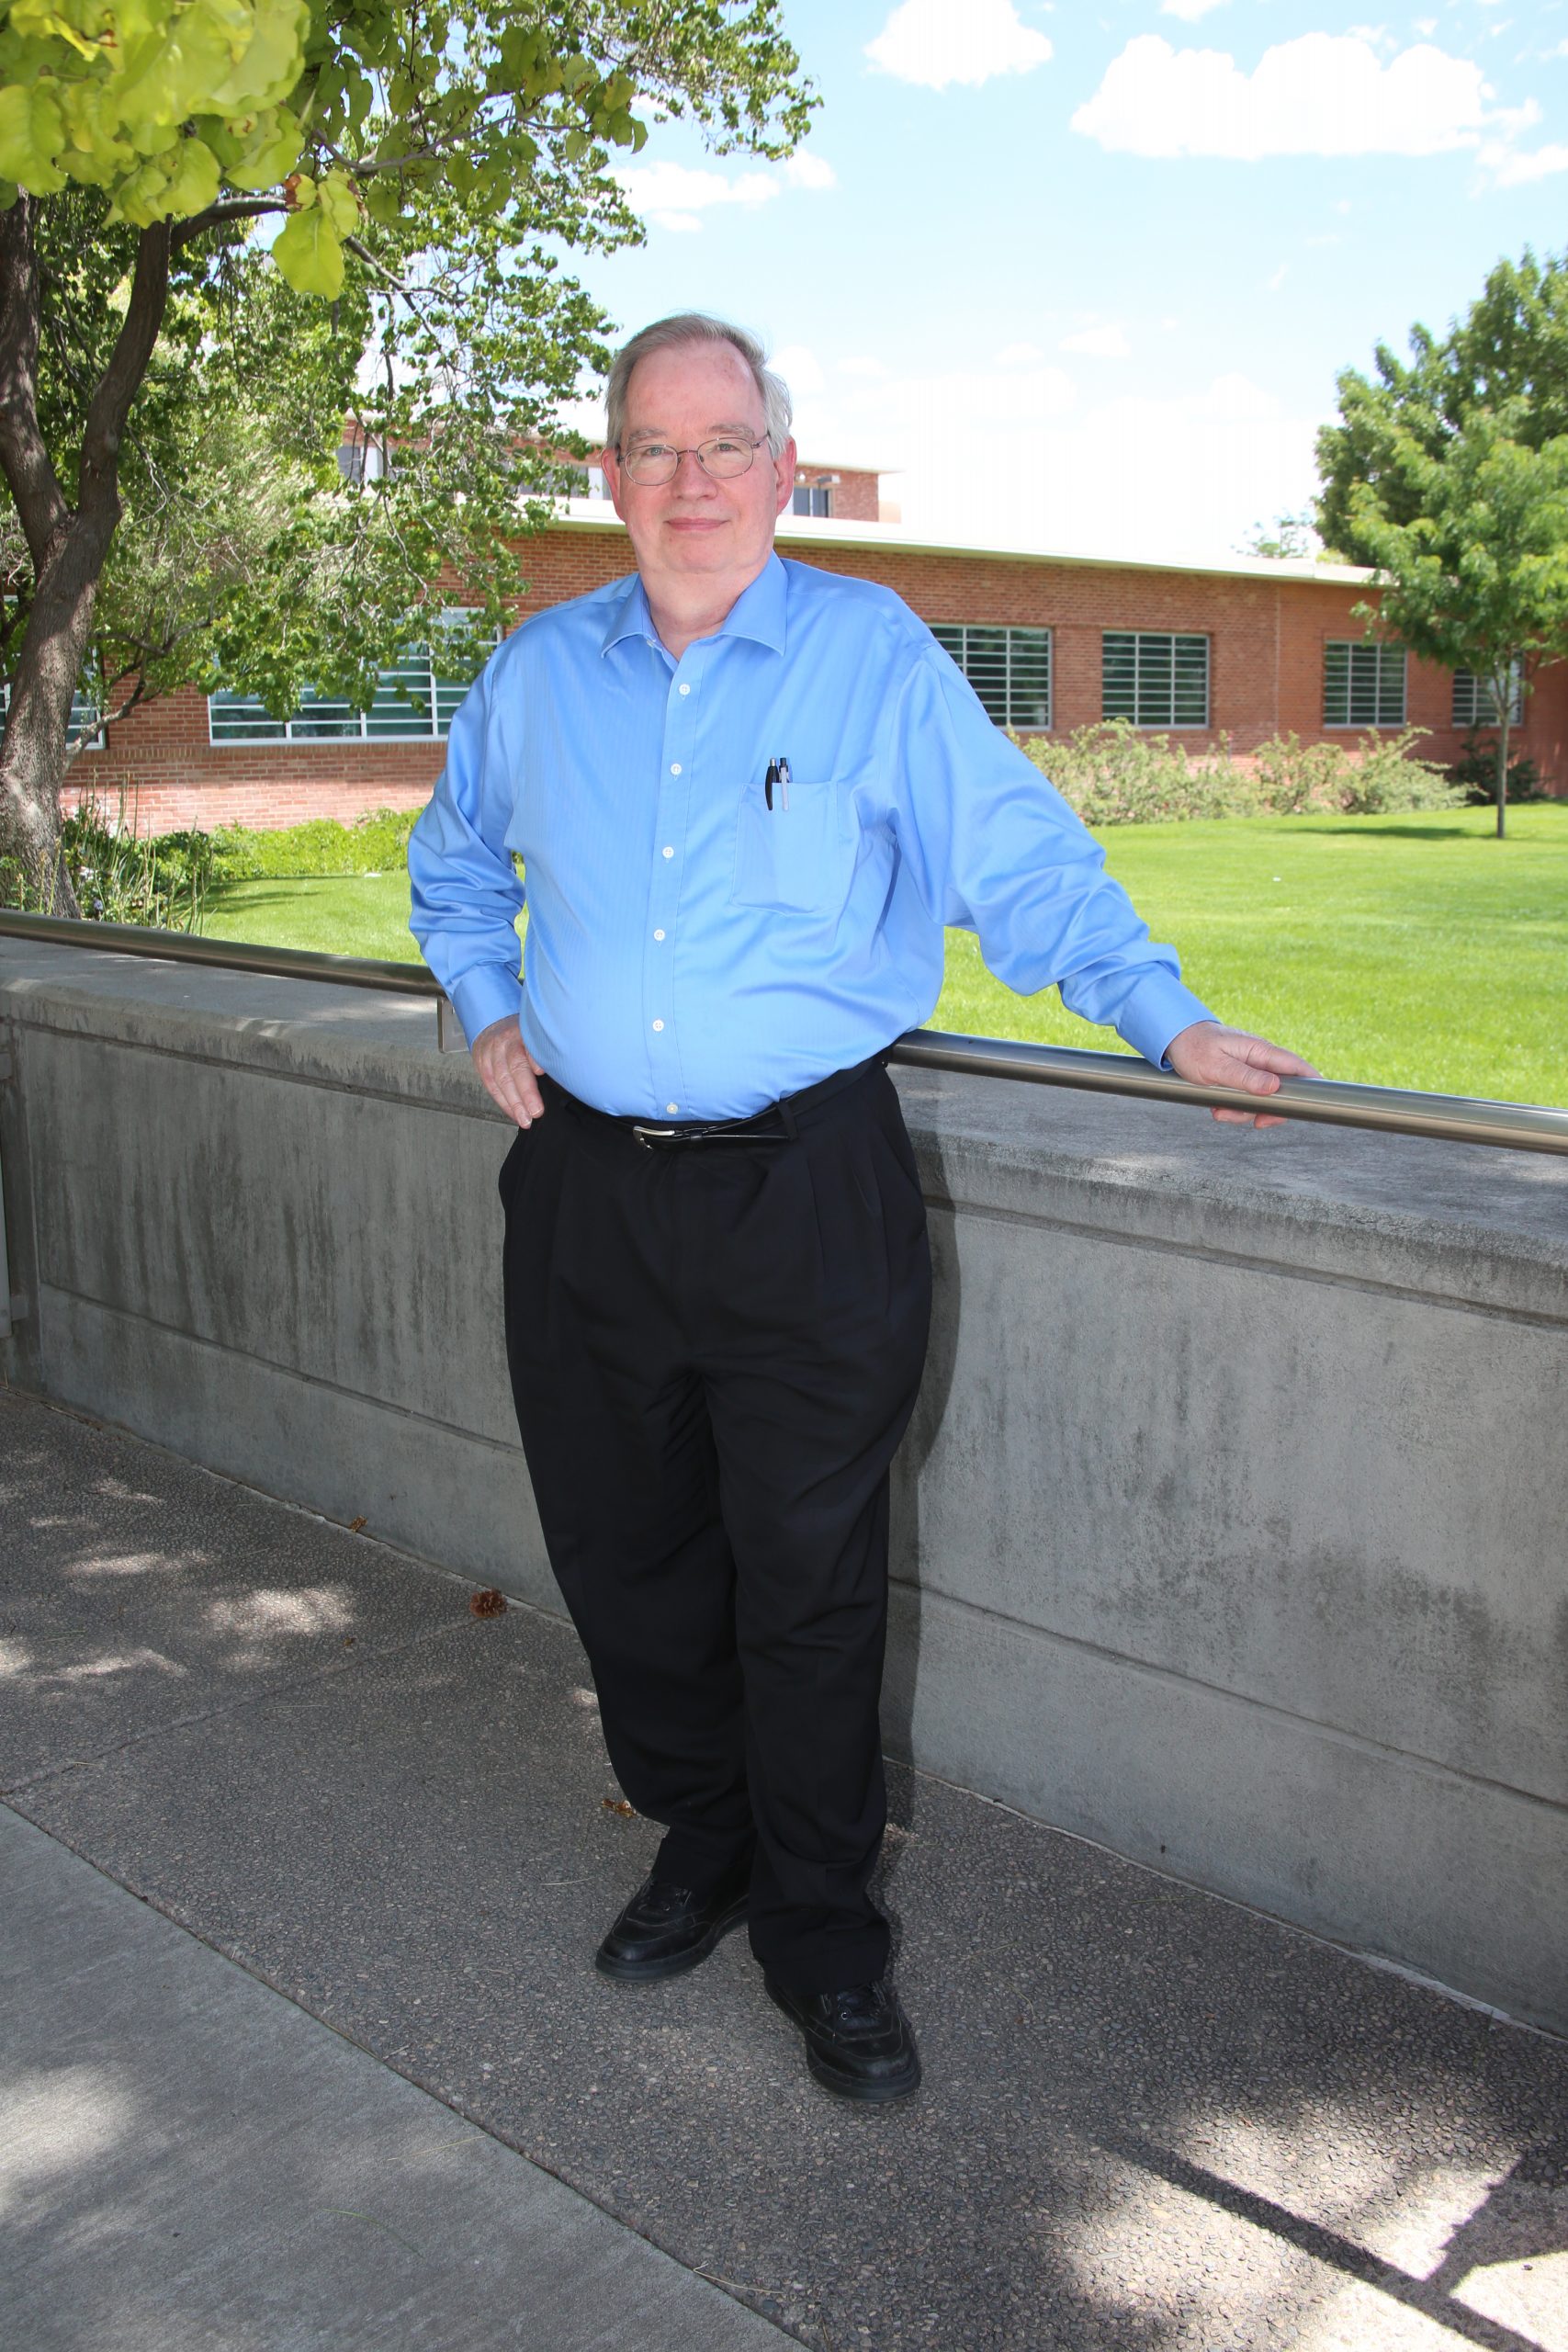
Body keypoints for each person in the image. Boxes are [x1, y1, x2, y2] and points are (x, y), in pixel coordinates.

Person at [408, 312, 1315, 2105]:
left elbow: (1020, 858)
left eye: (724, 444)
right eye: (652, 449)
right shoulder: (536, 674)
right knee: (628, 1557)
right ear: (607, 475)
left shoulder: (866, 657)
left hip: (805, 1190)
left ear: (782, 462)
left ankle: (823, 1936)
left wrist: (1163, 1015)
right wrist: (487, 1003)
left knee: (806, 1580)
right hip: (587, 1189)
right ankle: (704, 1839)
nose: (690, 482)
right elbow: (450, 862)